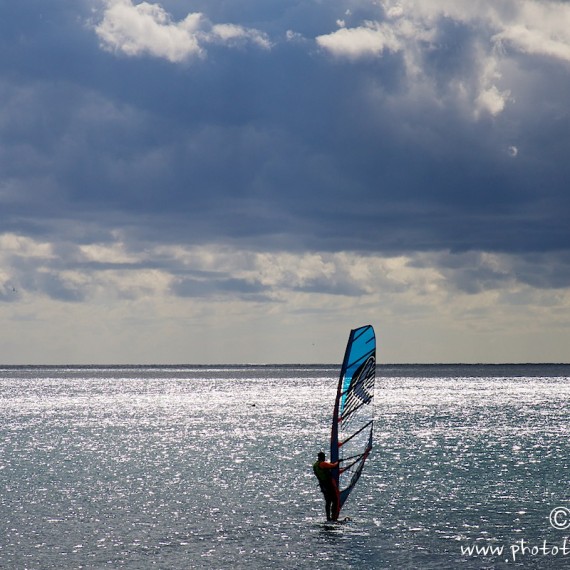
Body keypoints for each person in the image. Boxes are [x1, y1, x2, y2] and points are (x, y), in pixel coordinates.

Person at [313, 451, 339, 521]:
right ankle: (333, 516)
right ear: (322, 457)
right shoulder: (322, 464)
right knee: (335, 500)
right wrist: (337, 462)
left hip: (323, 486)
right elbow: (333, 466)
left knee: (328, 501)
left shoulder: (315, 465)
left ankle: (328, 517)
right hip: (328, 485)